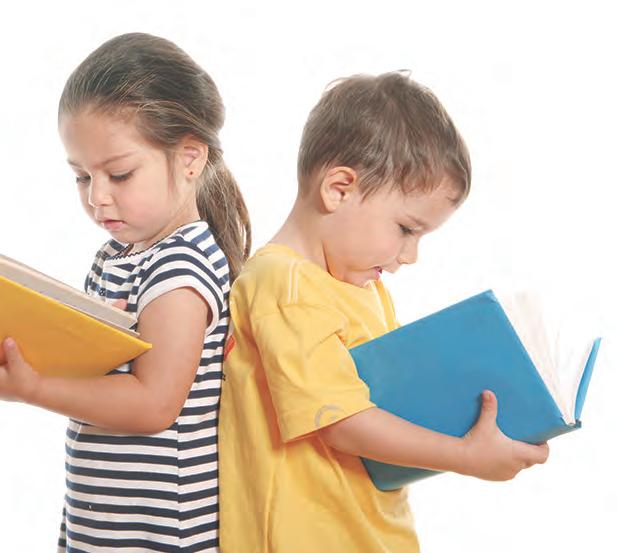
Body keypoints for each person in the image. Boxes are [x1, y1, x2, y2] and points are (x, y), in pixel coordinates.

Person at [218, 71, 549, 552]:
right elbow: (341, 422)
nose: (410, 256)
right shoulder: (282, 285)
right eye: (406, 229)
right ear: (339, 188)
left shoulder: (364, 287)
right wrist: (463, 456)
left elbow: (392, 406)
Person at [0, 32, 250, 552]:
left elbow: (154, 404)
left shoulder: (180, 265)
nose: (97, 197)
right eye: (80, 177)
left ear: (189, 158)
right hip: (105, 523)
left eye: (119, 174)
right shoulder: (118, 255)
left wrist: (34, 388)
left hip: (158, 533)